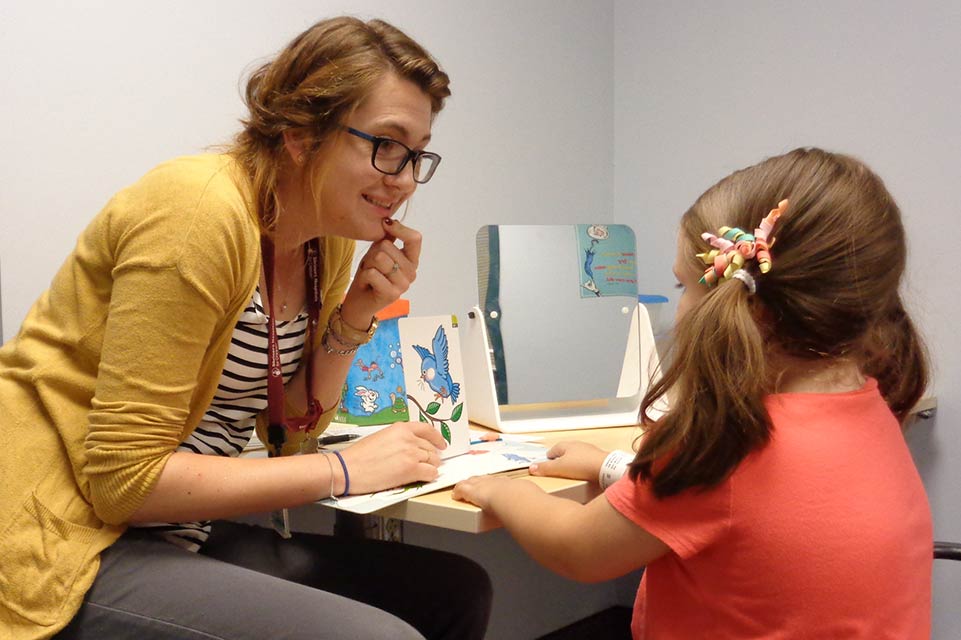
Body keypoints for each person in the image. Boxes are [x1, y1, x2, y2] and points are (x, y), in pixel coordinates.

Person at [0, 16, 491, 640]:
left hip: (172, 530)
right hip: (63, 536)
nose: (401, 177)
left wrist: (355, 315)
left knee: (454, 592)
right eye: (386, 144)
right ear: (298, 135)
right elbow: (124, 482)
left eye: (416, 154)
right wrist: (347, 471)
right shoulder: (196, 213)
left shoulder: (325, 239)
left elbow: (289, 436)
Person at [454, 148, 932, 638]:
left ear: (744, 304)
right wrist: (609, 467)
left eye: (683, 284)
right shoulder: (871, 407)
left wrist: (507, 490)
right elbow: (753, 513)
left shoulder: (729, 442)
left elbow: (576, 545)